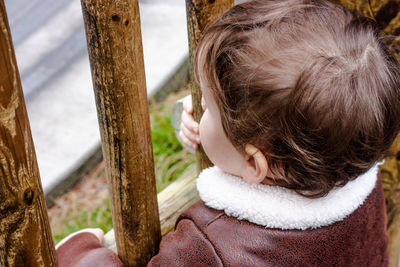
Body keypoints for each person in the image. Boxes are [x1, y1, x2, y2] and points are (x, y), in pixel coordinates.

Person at [56, 0, 400, 266]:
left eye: (207, 106)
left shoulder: (211, 246)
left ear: (254, 164)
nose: (198, 104)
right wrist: (212, 130)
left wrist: (81, 253)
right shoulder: (357, 181)